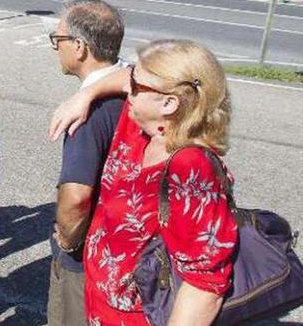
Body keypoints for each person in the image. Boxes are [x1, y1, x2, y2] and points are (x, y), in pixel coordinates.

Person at [57, 40, 239, 325]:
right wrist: (87, 94)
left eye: (135, 86)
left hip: (139, 318)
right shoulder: (143, 125)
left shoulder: (191, 169)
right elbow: (128, 74)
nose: (127, 89)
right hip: (100, 305)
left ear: (169, 103)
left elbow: (204, 286)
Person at [46, 0, 126, 326]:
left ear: (79, 47)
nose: (55, 48)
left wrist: (66, 240)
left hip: (89, 261)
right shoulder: (139, 90)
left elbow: (77, 198)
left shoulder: (88, 113)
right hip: (127, 250)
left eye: (58, 40)